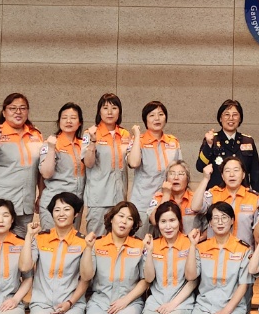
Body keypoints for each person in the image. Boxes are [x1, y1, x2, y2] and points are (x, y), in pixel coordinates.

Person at [0, 94, 46, 237]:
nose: (18, 112)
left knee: (20, 246)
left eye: (22, 108)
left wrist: (41, 195)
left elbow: (40, 170)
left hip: (24, 205)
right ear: (4, 112)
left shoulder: (36, 135)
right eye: (12, 108)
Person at [127, 100, 182, 236]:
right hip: (142, 203)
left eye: (161, 114)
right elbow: (133, 163)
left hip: (166, 201)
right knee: (140, 242)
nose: (157, 118)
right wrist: (137, 136)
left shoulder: (173, 142)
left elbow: (180, 171)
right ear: (145, 120)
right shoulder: (138, 141)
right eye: (152, 115)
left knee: (163, 242)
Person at [82, 93, 131, 237]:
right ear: (99, 111)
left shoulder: (125, 134)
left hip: (120, 198)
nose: (110, 112)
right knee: (96, 240)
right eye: (105, 108)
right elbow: (88, 163)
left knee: (118, 240)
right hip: (99, 199)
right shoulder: (90, 133)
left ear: (119, 111)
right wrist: (93, 142)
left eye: (114, 108)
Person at [38, 102, 86, 230]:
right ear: (59, 121)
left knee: (72, 241)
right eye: (64, 118)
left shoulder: (83, 145)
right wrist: (51, 148)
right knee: (51, 240)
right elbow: (46, 173)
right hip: (54, 204)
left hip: (75, 204)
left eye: (73, 118)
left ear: (80, 122)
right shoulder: (51, 143)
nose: (68, 121)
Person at [196, 99, 259, 193]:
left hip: (242, 195)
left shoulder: (248, 141)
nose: (231, 118)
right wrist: (209, 145)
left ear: (240, 119)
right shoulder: (212, 139)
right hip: (217, 194)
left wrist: (257, 195)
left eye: (235, 115)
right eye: (226, 114)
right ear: (220, 118)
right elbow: (200, 167)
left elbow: (255, 173)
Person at [195, 157, 259, 244]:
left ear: (243, 175)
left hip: (243, 251)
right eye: (227, 171)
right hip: (215, 250)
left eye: (236, 170)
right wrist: (205, 179)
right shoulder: (214, 194)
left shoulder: (254, 198)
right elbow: (195, 207)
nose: (231, 174)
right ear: (222, 176)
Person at [146, 160, 203, 236]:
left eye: (181, 174)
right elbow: (154, 221)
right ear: (166, 179)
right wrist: (166, 195)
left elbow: (207, 225)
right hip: (164, 242)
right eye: (172, 174)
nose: (176, 177)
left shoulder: (195, 198)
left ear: (187, 179)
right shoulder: (158, 198)